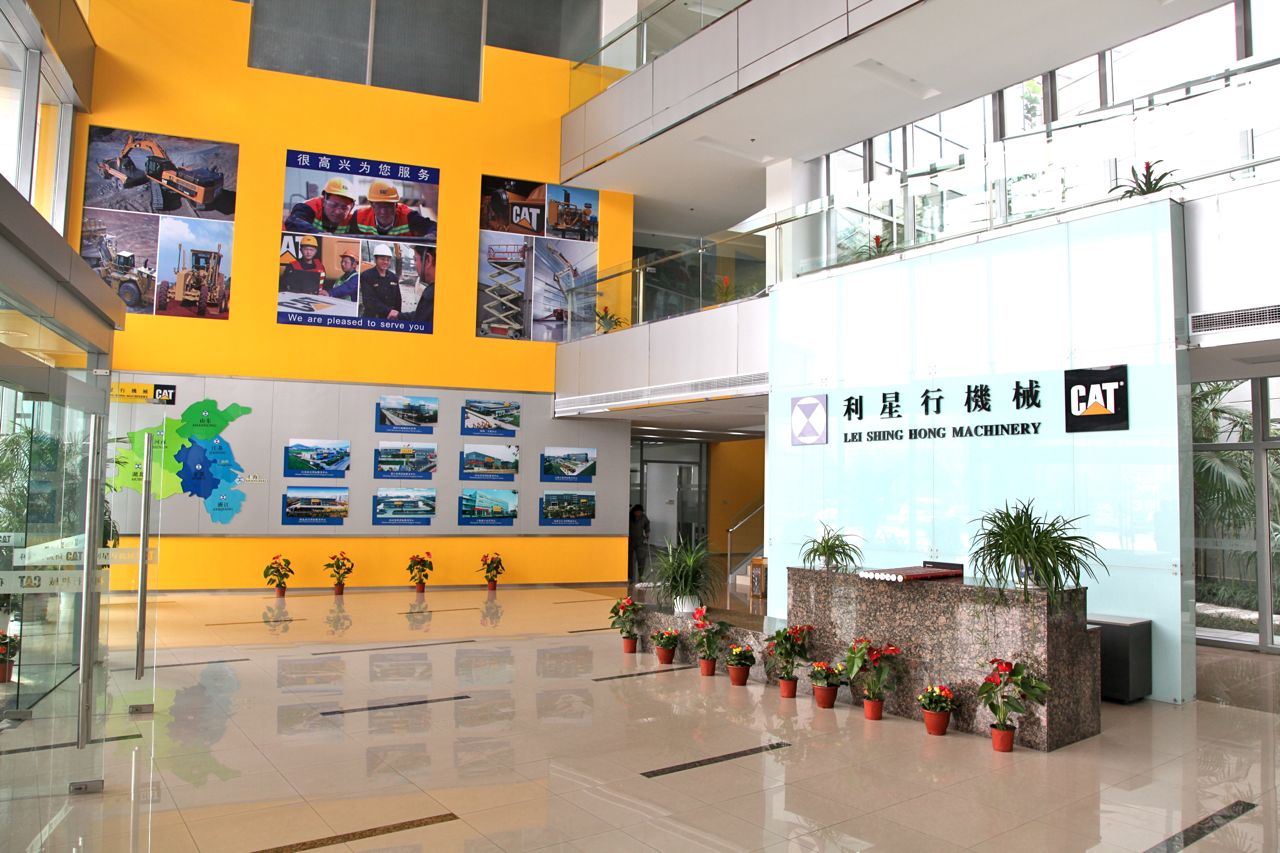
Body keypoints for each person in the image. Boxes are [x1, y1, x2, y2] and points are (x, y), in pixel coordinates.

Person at [353, 180, 437, 241]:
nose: (383, 211)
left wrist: (431, 235)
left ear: (395, 205)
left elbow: (433, 228)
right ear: (372, 205)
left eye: (388, 206)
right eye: (379, 206)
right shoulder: (359, 217)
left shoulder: (409, 217)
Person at [284, 176, 356, 234]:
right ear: (324, 200)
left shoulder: (354, 217)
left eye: (344, 208)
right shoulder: (308, 207)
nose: (338, 212)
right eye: (333, 205)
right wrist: (319, 234)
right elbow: (293, 223)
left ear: (352, 207)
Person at [359, 243, 401, 319]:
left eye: (388, 260)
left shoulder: (393, 277)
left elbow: (398, 299)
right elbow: (369, 301)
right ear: (375, 259)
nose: (385, 262)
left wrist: (397, 315)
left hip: (389, 318)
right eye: (382, 259)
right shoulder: (366, 276)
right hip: (372, 318)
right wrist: (389, 311)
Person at [403, 244, 436, 326]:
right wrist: (399, 316)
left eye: (415, 259)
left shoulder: (431, 295)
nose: (415, 265)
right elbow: (421, 314)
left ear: (428, 260)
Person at [628, 504, 650, 581]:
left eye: (640, 512)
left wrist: (647, 532)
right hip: (630, 541)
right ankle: (630, 576)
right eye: (638, 512)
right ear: (634, 512)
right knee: (630, 560)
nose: (639, 514)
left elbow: (647, 524)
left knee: (641, 559)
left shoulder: (643, 517)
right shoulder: (629, 517)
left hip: (640, 541)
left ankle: (641, 575)